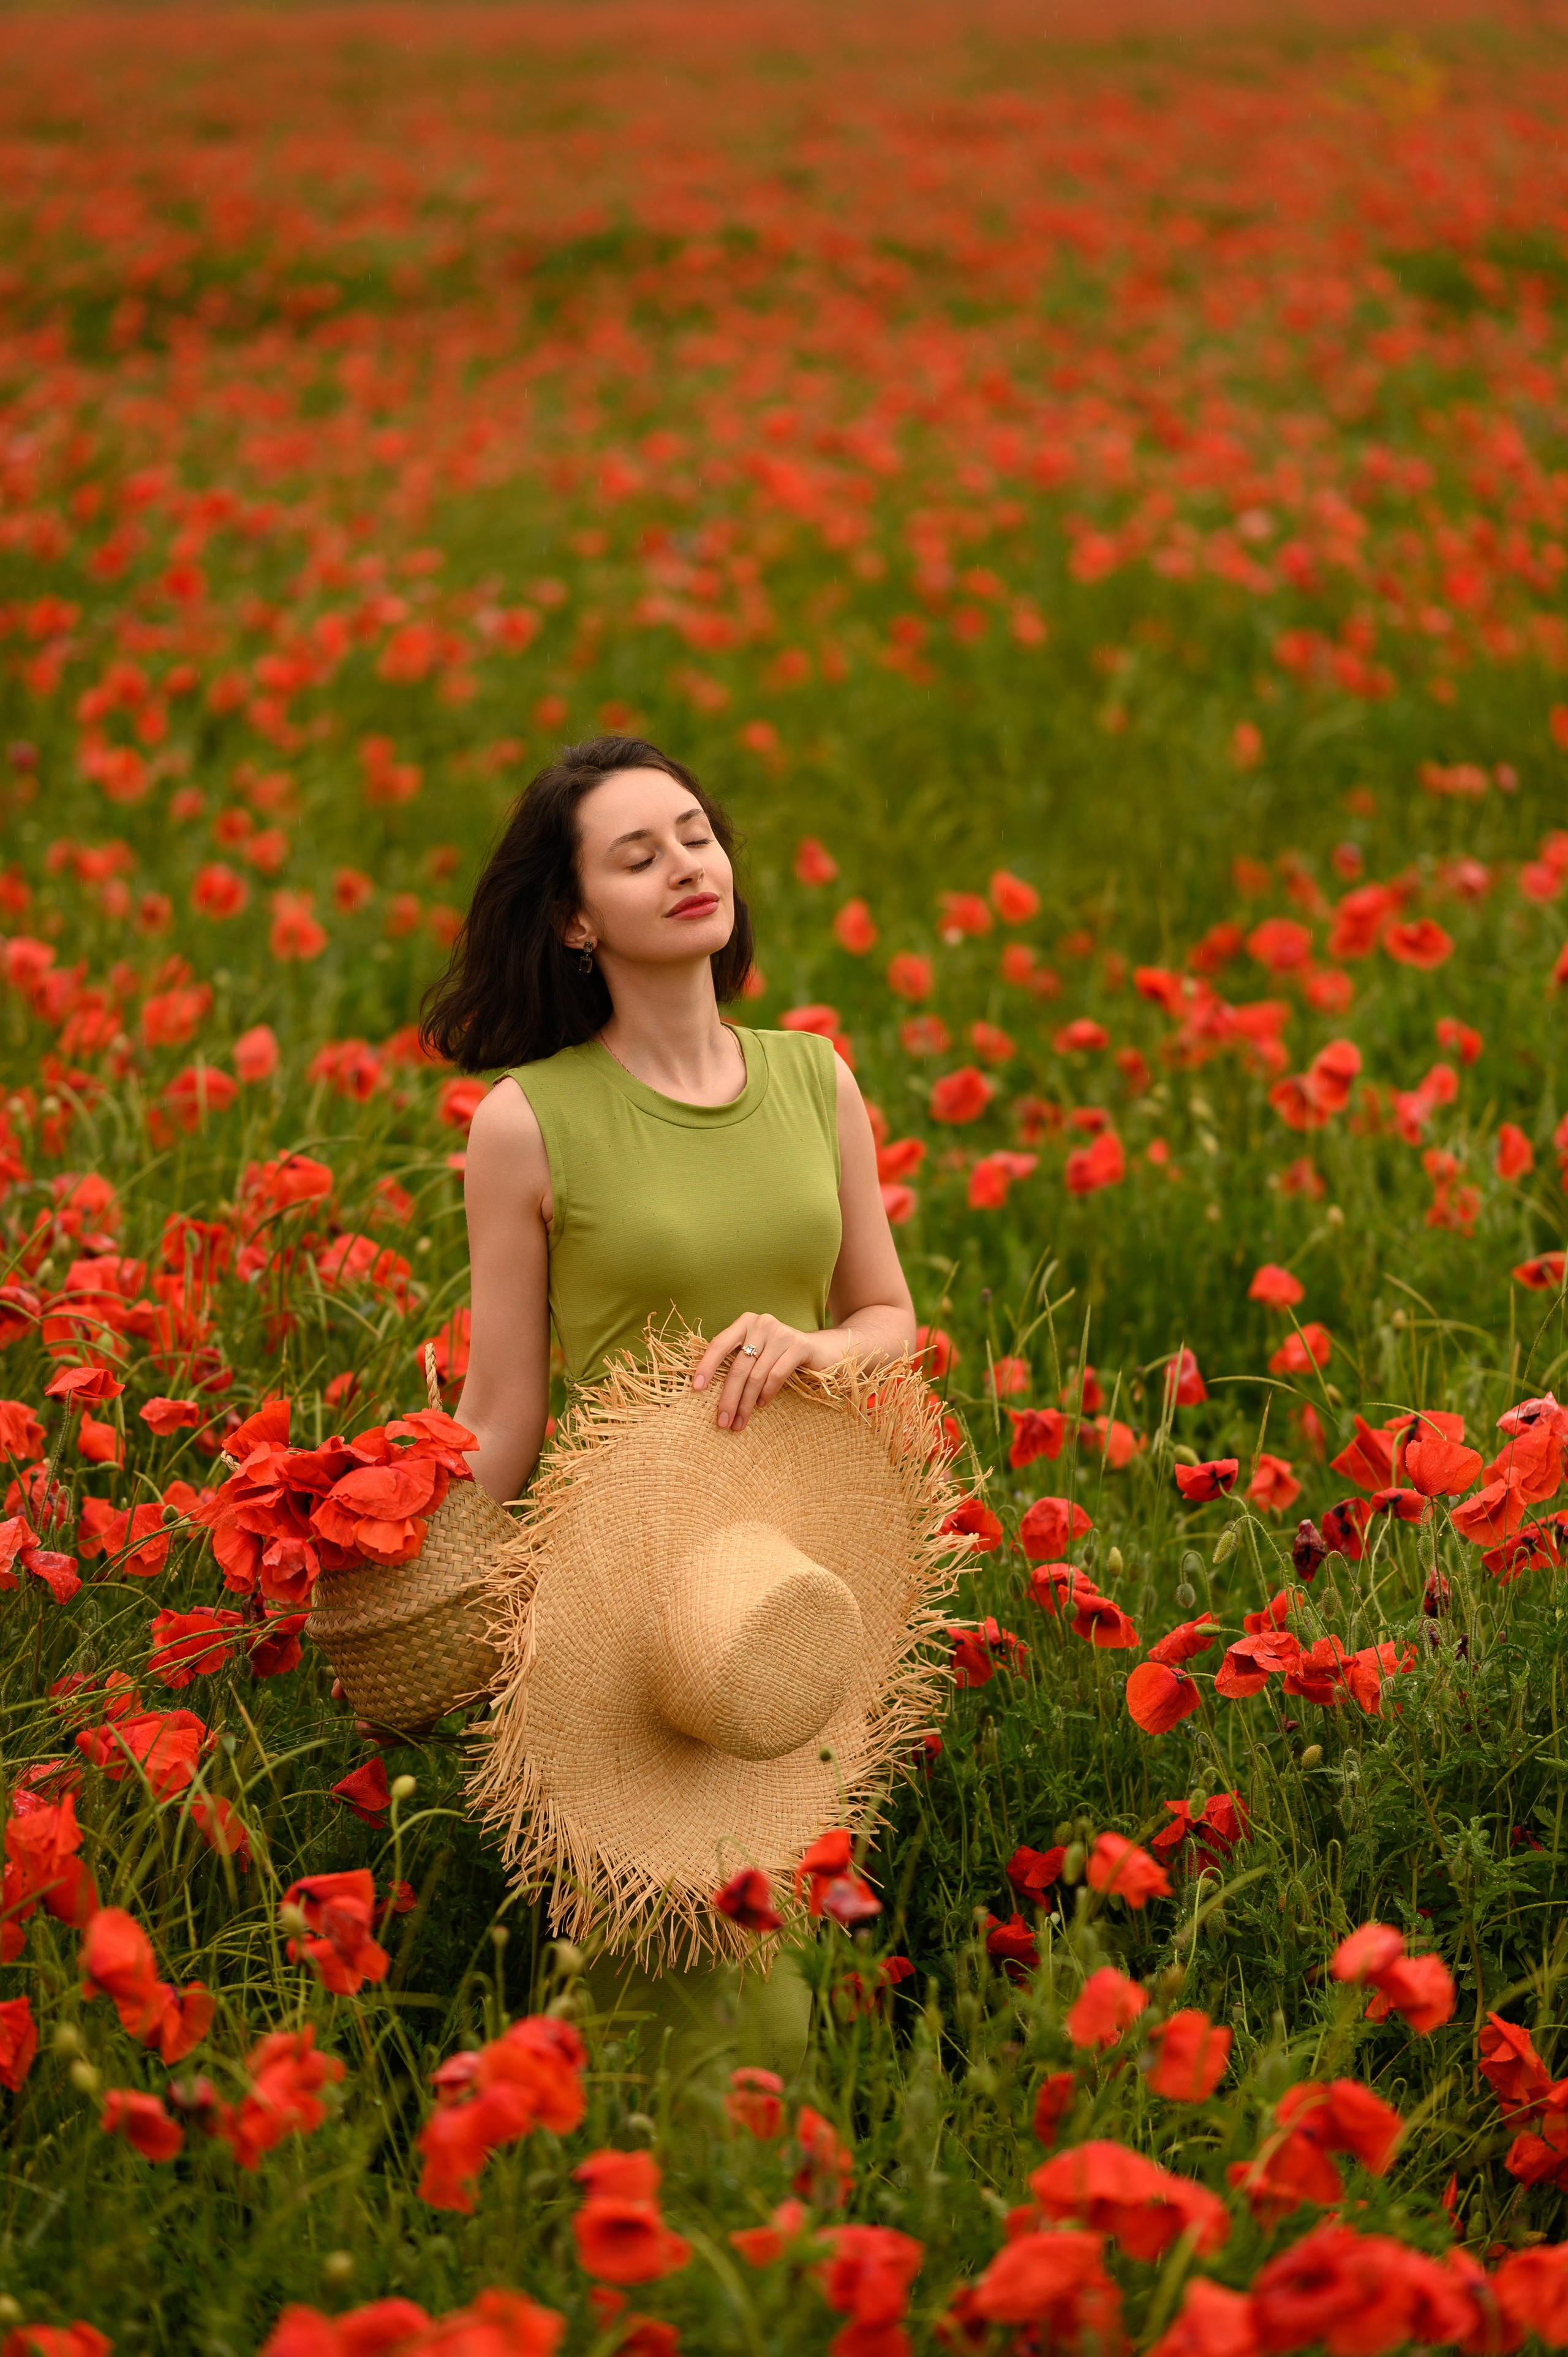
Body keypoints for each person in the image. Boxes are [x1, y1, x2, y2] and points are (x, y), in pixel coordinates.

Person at [419, 733, 918, 2080]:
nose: (685, 865)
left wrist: (813, 1347)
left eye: (695, 835)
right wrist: (390, 1544)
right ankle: (671, 2240)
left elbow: (888, 1319)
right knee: (677, 1968)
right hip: (621, 1594)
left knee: (782, 1946)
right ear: (577, 918)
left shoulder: (816, 1081)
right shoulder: (528, 1121)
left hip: (789, 1574)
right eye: (636, 855)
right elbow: (505, 1410)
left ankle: (775, 2246)